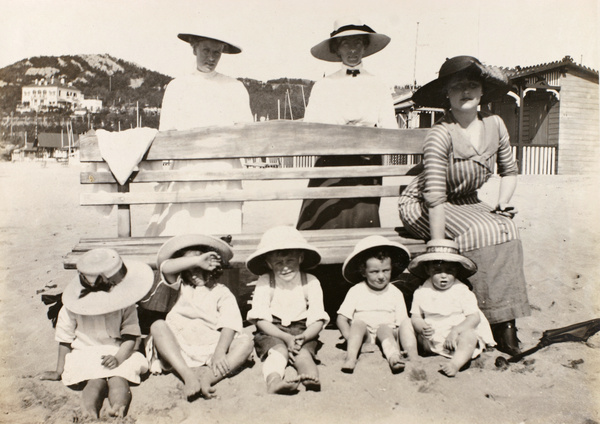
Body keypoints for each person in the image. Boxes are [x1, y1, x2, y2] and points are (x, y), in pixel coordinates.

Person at [398, 55, 530, 356]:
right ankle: (484, 318)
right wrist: (437, 245)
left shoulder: (495, 125)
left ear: (483, 91)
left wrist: (503, 201)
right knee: (478, 231)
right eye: (457, 87)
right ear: (447, 94)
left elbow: (509, 171)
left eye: (472, 85)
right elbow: (434, 195)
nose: (465, 92)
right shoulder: (440, 134)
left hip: (466, 200)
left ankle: (506, 322)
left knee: (506, 226)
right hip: (422, 204)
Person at [296, 17, 398, 321]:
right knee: (323, 223)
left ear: (365, 47)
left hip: (366, 164)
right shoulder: (325, 84)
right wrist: (340, 130)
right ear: (336, 48)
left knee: (360, 228)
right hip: (331, 163)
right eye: (346, 43)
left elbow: (390, 129)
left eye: (358, 42)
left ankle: (355, 302)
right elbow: (312, 128)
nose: (352, 49)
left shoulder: (378, 84)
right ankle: (322, 301)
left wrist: (371, 138)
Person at [145, 29, 253, 237]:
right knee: (184, 229)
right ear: (194, 48)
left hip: (224, 170)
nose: (211, 58)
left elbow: (246, 133)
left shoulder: (234, 87)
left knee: (221, 232)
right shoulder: (177, 87)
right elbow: (166, 135)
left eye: (217, 52)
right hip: (188, 170)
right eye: (206, 50)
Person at [40, 249, 153, 419]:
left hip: (119, 351)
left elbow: (130, 337)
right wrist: (58, 370)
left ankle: (118, 407)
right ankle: (89, 411)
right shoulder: (72, 307)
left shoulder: (125, 304)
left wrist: (118, 358)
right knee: (94, 382)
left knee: (118, 379)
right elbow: (65, 340)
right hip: (85, 352)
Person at [147, 234, 254, 400]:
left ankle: (209, 378)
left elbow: (229, 323)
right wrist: (196, 261)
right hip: (179, 345)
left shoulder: (221, 292)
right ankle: (187, 375)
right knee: (157, 326)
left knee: (246, 342)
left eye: (199, 268)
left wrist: (219, 351)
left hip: (210, 345)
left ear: (212, 267)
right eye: (188, 269)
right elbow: (165, 267)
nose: (193, 273)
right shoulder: (179, 285)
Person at [246, 226, 329, 394]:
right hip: (272, 329)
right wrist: (284, 337)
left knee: (304, 354)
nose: (285, 267)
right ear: (269, 263)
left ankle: (310, 377)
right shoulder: (265, 281)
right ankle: (274, 381)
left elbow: (318, 318)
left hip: (302, 329)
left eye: (290, 260)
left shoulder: (310, 281)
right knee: (278, 352)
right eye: (278, 263)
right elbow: (260, 319)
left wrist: (303, 337)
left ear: (300, 258)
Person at [408, 240, 496, 377]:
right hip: (433, 337)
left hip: (457, 335)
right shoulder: (421, 292)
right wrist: (421, 327)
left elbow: (474, 317)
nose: (444, 275)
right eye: (437, 271)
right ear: (427, 270)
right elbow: (416, 316)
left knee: (469, 336)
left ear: (456, 271)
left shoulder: (462, 291)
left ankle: (455, 363)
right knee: (408, 325)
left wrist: (456, 331)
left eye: (449, 271)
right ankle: (417, 356)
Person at [337, 235, 418, 374]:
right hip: (365, 336)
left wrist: (400, 342)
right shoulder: (357, 290)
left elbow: (401, 323)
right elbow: (341, 318)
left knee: (385, 328)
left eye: (386, 270)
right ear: (363, 272)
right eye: (374, 272)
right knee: (358, 324)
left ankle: (395, 357)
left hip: (387, 334)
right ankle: (351, 358)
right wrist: (349, 337)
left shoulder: (395, 292)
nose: (381, 276)